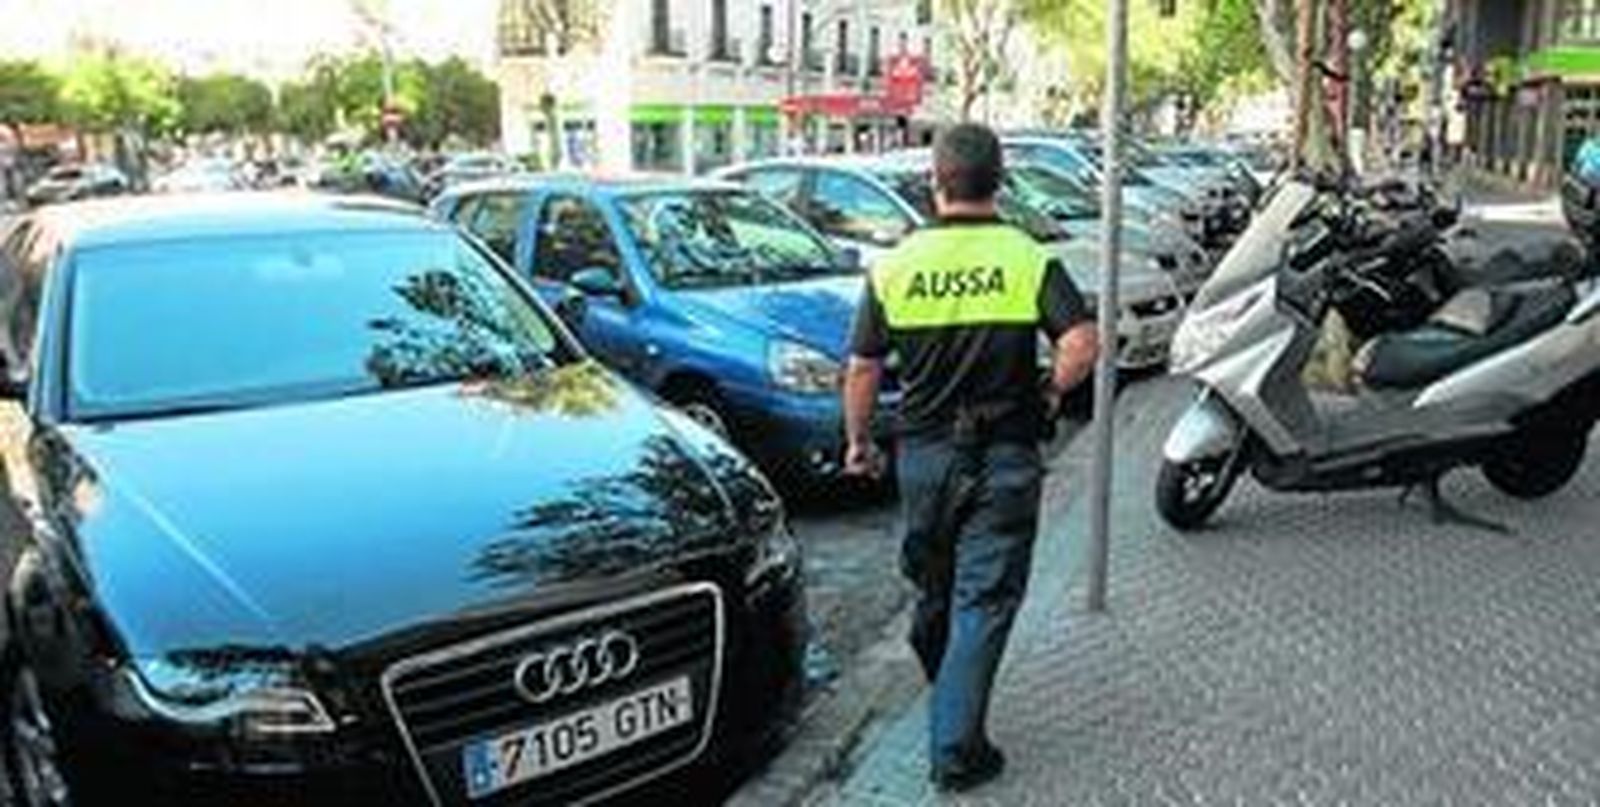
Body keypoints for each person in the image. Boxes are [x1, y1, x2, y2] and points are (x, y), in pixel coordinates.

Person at [841, 123, 1099, 792]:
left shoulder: (895, 263)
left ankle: (948, 686)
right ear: (999, 183)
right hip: (1005, 454)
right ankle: (956, 747)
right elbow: (1082, 343)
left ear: (936, 181)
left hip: (924, 458)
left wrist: (858, 442)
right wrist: (1048, 391)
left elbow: (863, 366)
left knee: (935, 583)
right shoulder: (1024, 255)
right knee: (982, 597)